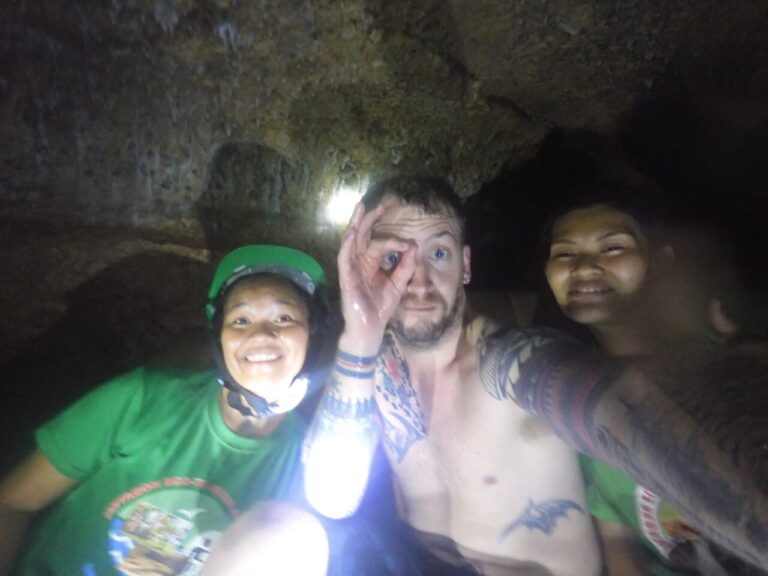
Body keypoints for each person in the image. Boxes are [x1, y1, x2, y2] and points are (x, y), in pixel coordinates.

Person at [302, 176, 768, 576]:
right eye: (392, 258)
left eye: (438, 253)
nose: (417, 279)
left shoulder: (507, 360)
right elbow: (331, 499)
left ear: (465, 265)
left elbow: (613, 405)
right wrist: (359, 337)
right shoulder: (373, 367)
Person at [0, 244, 331, 576]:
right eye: (240, 319)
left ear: (311, 334)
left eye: (283, 317)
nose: (260, 334)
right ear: (219, 338)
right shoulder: (142, 399)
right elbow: (13, 503)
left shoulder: (311, 466)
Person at [541, 186, 768, 576]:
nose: (583, 268)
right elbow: (618, 539)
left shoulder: (737, 345)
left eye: (612, 248)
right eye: (565, 254)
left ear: (660, 261)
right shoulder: (572, 397)